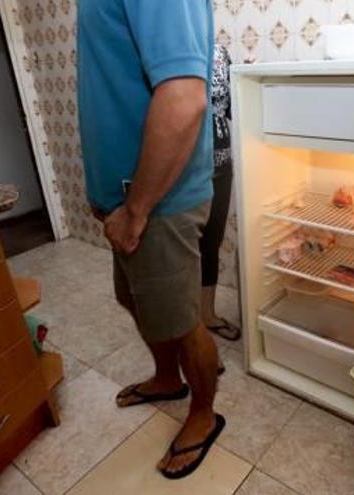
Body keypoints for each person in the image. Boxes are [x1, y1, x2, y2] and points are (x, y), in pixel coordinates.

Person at [77, 0, 221, 479]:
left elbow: (183, 99)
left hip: (158, 203)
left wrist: (137, 210)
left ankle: (203, 414)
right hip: (129, 202)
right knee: (140, 301)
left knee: (182, 319)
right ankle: (166, 379)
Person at [201, 44, 240, 341]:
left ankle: (207, 315)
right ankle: (185, 324)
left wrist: (243, 78)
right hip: (182, 169)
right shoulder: (164, 46)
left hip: (221, 164)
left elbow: (229, 109)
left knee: (211, 241)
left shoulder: (219, 53)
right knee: (182, 249)